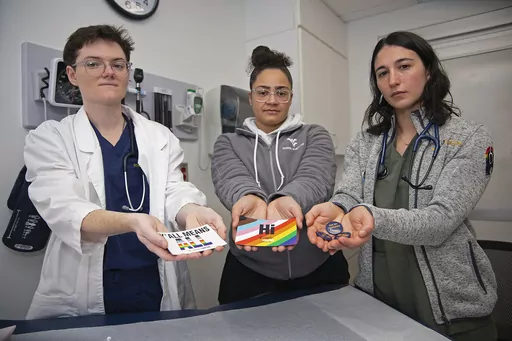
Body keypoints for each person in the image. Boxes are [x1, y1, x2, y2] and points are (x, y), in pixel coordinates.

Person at [23, 25, 227, 319]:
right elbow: (64, 207)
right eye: (93, 63)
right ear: (72, 74)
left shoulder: (160, 136)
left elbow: (174, 188)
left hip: (154, 280)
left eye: (118, 64)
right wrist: (133, 222)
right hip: (85, 285)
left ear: (127, 72)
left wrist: (192, 210)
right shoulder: (50, 138)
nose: (109, 71)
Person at [306, 31, 498, 340]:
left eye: (404, 66)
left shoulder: (467, 138)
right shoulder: (365, 142)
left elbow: (440, 221)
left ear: (429, 71)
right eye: (383, 73)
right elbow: (349, 193)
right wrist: (335, 208)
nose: (393, 79)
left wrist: (369, 217)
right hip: (379, 301)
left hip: (451, 312)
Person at [211, 45, 350, 305]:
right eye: (263, 92)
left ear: (290, 97)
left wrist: (288, 199)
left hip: (318, 262)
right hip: (249, 267)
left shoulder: (314, 134)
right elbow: (231, 178)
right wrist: (249, 196)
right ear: (250, 97)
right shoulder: (227, 142)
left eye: (281, 92)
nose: (272, 100)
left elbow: (315, 177)